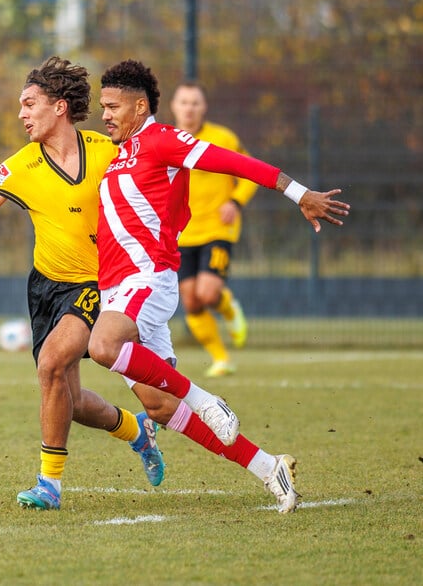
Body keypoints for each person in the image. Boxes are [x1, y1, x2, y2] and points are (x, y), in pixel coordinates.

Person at [89, 59, 350, 512]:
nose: (105, 114)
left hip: (146, 280)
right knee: (160, 408)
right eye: (101, 107)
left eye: (112, 106)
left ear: (139, 105)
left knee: (103, 346)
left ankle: (207, 399)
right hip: (116, 289)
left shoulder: (162, 139)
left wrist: (300, 193)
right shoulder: (117, 155)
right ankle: (269, 467)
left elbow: (236, 164)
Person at [0, 56, 165, 511]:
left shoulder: (106, 150)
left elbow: (158, 168)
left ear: (60, 107)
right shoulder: (20, 167)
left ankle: (49, 485)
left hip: (96, 284)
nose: (21, 114)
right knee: (71, 400)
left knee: (51, 362)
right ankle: (137, 431)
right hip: (44, 289)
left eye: (29, 103)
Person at [170, 82, 256, 377]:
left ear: (203, 107)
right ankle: (221, 359)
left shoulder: (222, 138)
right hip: (181, 234)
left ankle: (228, 307)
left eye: (195, 102)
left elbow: (251, 173)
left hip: (218, 229)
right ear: (174, 107)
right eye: (184, 102)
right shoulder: (167, 141)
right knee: (191, 300)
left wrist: (235, 202)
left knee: (207, 293)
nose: (189, 108)